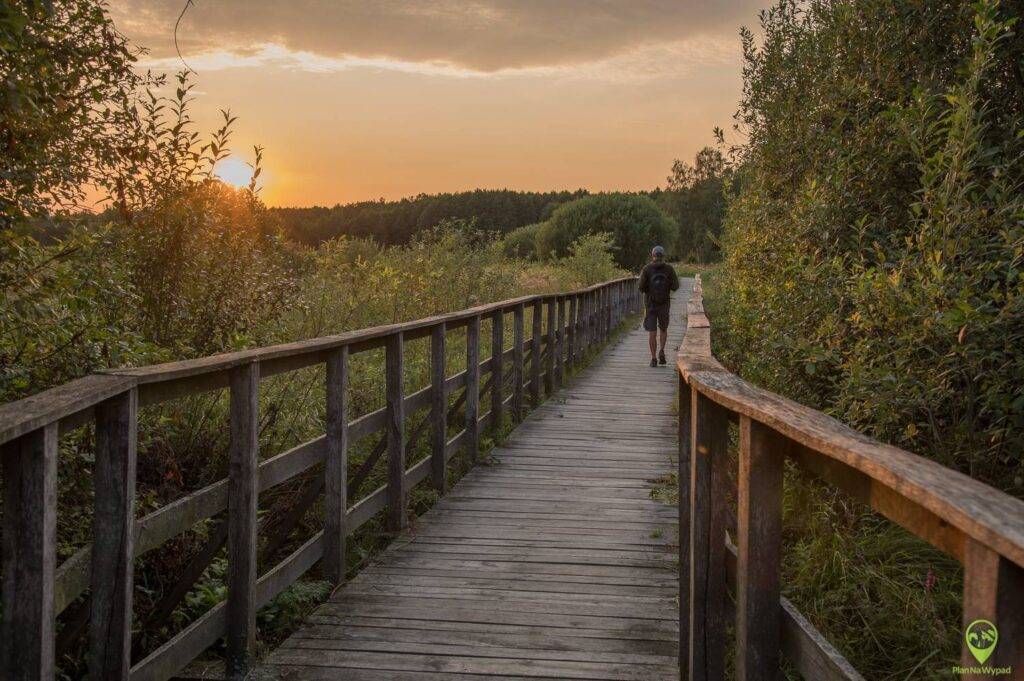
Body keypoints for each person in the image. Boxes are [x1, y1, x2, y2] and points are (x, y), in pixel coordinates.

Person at [637, 246, 679, 366]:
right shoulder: (669, 269)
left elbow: (640, 287)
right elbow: (675, 286)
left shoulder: (647, 269)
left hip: (650, 304)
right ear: (663, 255)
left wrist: (648, 290)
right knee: (663, 329)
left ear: (653, 255)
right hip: (664, 304)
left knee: (652, 331)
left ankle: (654, 358)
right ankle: (662, 351)